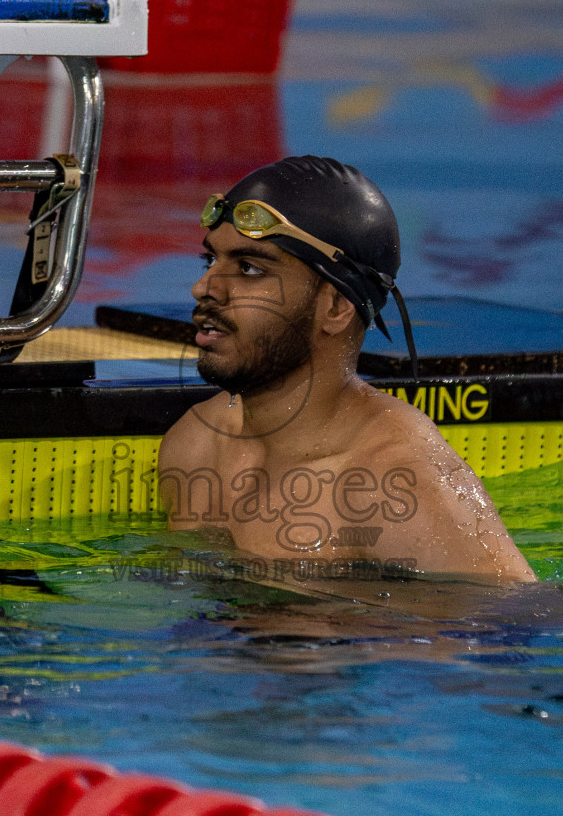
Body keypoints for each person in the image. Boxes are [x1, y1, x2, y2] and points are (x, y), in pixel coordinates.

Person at [157, 156, 535, 586]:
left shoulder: (396, 480)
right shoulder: (196, 445)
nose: (204, 287)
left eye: (249, 268)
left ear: (336, 307)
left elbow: (518, 623)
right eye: (211, 261)